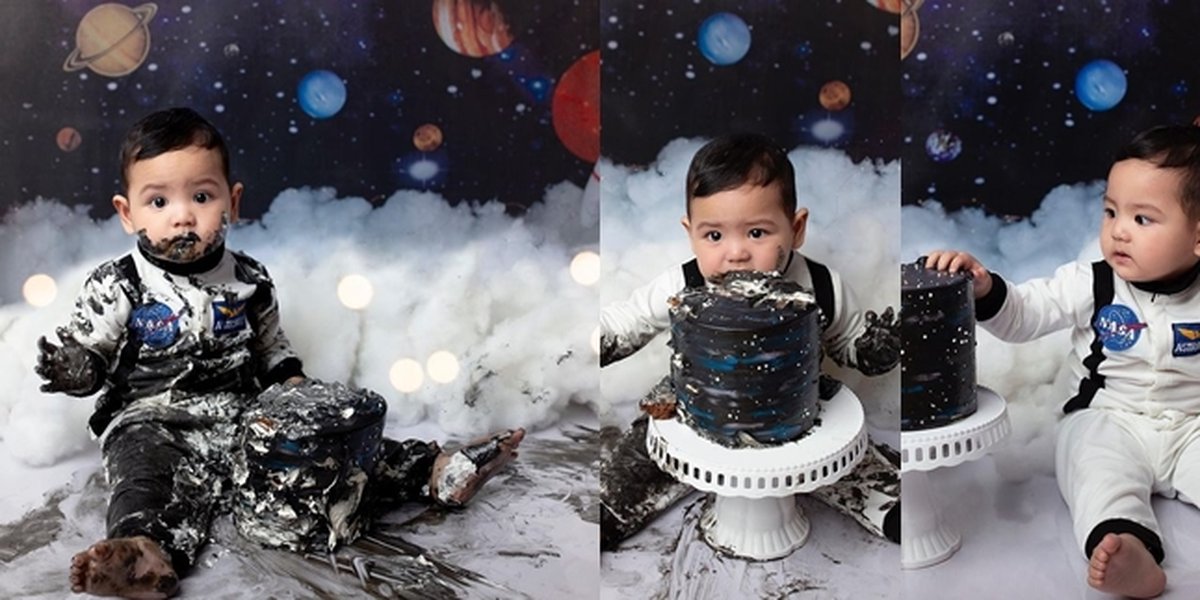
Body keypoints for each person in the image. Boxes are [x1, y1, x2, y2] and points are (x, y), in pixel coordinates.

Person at [35, 107, 523, 599]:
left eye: (201, 196)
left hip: (240, 407)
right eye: (158, 201)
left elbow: (273, 347)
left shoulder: (248, 278)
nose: (182, 215)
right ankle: (142, 553)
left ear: (234, 202)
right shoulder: (117, 284)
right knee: (146, 479)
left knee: (327, 457)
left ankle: (434, 472)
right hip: (151, 418)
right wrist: (75, 369)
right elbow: (92, 353)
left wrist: (294, 393)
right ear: (127, 213)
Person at [923, 124, 1200, 598]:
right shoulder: (1092, 282)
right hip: (1107, 419)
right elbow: (1026, 315)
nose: (1117, 231)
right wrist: (987, 289)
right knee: (1096, 470)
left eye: (1143, 219)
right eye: (1111, 211)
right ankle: (1130, 549)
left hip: (1192, 425)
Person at [599, 132, 901, 550]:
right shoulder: (685, 283)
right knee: (641, 457)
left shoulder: (821, 286)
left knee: (856, 463)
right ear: (691, 234)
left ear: (795, 229)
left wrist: (873, 348)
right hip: (698, 409)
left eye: (757, 233)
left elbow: (847, 341)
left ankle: (890, 507)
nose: (736, 253)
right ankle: (611, 511)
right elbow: (626, 321)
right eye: (714, 236)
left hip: (798, 411)